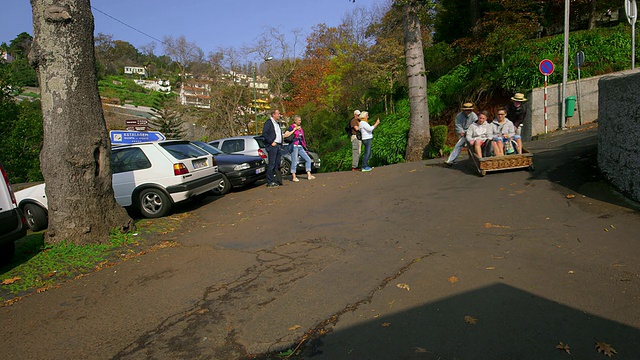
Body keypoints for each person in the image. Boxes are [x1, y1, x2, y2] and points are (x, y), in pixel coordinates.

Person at [286, 115, 315, 182]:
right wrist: (294, 130)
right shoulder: (291, 127)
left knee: (308, 159)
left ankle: (309, 175)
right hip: (294, 146)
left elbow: (302, 138)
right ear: (295, 121)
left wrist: (304, 145)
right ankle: (294, 176)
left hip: (300, 146)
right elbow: (285, 135)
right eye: (299, 120)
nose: (300, 121)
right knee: (295, 161)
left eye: (300, 120)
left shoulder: (300, 128)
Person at [262, 109, 286, 187]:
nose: (279, 115)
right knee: (271, 164)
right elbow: (264, 133)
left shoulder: (277, 123)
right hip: (272, 146)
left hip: (278, 145)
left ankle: (278, 180)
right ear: (273, 114)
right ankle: (270, 181)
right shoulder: (269, 123)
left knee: (277, 164)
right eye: (278, 114)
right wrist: (271, 142)